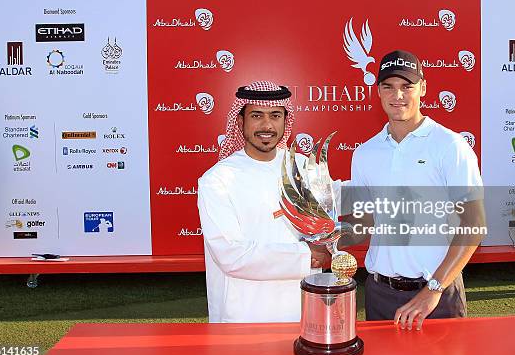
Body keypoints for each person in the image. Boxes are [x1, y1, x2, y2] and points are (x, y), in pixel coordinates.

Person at [346, 50, 486, 330]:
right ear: (378, 91)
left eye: (406, 86)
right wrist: (323, 235)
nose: (397, 95)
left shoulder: (450, 146)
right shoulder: (364, 153)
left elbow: (473, 224)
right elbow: (363, 222)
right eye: (389, 87)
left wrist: (433, 289)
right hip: (379, 294)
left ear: (423, 87)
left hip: (438, 295)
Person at [197, 81, 330, 323]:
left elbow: (324, 232)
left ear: (285, 121)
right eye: (256, 116)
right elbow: (230, 254)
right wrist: (305, 256)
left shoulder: (306, 168)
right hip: (243, 311)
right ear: (240, 122)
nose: (267, 125)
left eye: (275, 116)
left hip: (302, 306)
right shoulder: (218, 179)